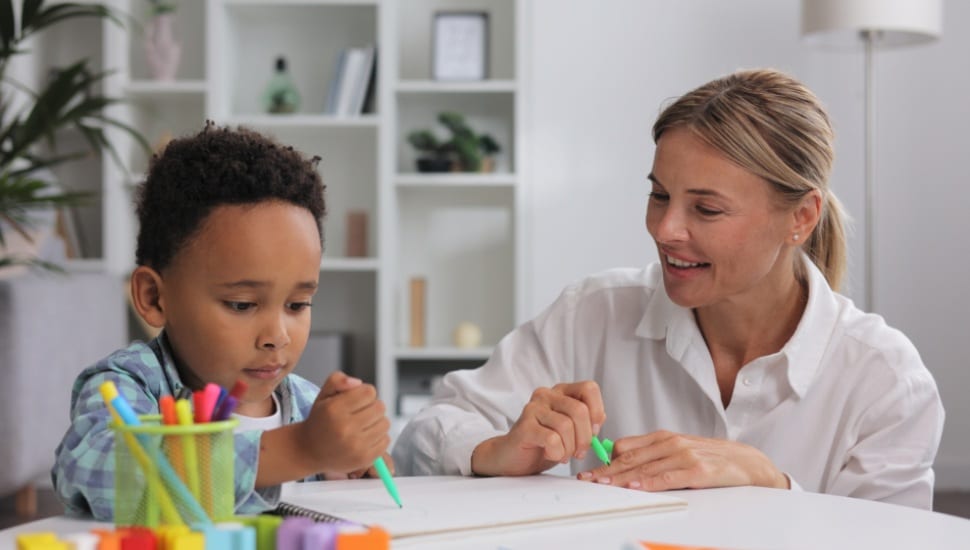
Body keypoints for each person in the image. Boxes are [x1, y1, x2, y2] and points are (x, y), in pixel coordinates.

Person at [392, 69, 944, 510]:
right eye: (659, 196)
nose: (664, 229)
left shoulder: (885, 382)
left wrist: (771, 484)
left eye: (706, 208)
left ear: (800, 217)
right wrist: (499, 450)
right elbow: (426, 433)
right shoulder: (593, 313)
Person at [52, 123, 392, 520]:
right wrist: (299, 450)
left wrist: (352, 464)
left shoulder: (305, 403)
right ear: (154, 297)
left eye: (298, 304)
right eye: (242, 304)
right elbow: (93, 468)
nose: (277, 336)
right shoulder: (130, 384)